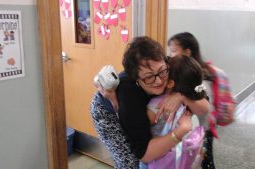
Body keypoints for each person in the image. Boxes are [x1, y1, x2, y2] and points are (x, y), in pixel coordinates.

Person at [90, 36, 209, 169]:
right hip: (108, 111)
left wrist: (182, 96)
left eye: (162, 72)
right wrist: (180, 132)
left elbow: (204, 104)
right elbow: (144, 153)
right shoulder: (129, 93)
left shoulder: (170, 67)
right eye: (149, 77)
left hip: (139, 110)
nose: (159, 81)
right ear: (136, 79)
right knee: (131, 164)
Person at [168, 32, 235, 169]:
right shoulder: (194, 72)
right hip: (194, 129)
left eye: (174, 51)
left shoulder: (198, 77)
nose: (171, 55)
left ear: (187, 52)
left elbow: (203, 105)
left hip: (200, 130)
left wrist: (181, 96)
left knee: (201, 161)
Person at [146, 56, 207, 169]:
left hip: (159, 161)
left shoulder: (158, 105)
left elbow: (136, 126)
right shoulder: (190, 101)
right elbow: (206, 108)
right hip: (181, 161)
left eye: (163, 72)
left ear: (170, 83)